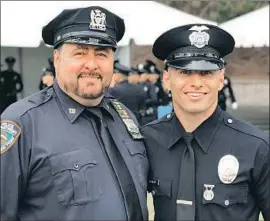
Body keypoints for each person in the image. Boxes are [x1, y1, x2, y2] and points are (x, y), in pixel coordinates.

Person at [1, 6, 148, 220]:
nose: (92, 64)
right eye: (79, 53)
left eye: (101, 54)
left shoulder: (124, 118)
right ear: (58, 59)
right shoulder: (22, 123)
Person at [140, 24, 269, 221]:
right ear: (166, 79)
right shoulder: (146, 141)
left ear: (220, 79)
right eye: (184, 72)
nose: (196, 83)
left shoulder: (256, 146)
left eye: (206, 72)